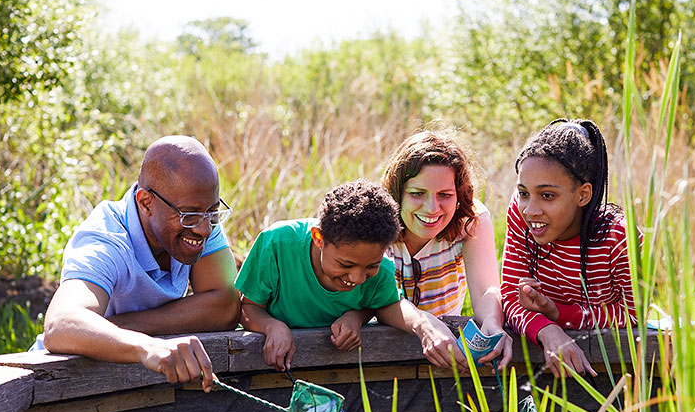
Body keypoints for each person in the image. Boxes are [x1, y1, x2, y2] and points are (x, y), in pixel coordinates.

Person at [42, 135, 242, 391]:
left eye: (213, 212)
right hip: (66, 385)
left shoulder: (199, 215)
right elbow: (60, 324)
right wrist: (146, 346)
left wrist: (120, 327)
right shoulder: (107, 239)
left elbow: (225, 305)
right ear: (146, 203)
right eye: (189, 215)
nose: (204, 229)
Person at [235, 179, 468, 373]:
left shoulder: (382, 269)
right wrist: (272, 327)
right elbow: (247, 309)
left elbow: (385, 306)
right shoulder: (277, 244)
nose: (357, 278)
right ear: (319, 238)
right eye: (345, 264)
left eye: (370, 267)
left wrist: (357, 317)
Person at [501, 119, 638, 378]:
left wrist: (558, 314)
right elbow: (509, 296)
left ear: (583, 195)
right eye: (523, 193)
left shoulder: (619, 238)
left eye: (547, 195)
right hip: (538, 367)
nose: (530, 209)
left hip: (611, 374)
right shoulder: (520, 216)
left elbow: (631, 315)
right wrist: (548, 330)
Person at [382, 131, 512, 369]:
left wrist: (493, 323)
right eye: (417, 193)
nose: (432, 208)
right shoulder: (378, 221)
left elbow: (485, 289)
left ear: (459, 195)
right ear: (398, 193)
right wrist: (424, 325)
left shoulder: (471, 221)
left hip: (446, 357)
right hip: (383, 354)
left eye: (445, 195)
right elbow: (381, 300)